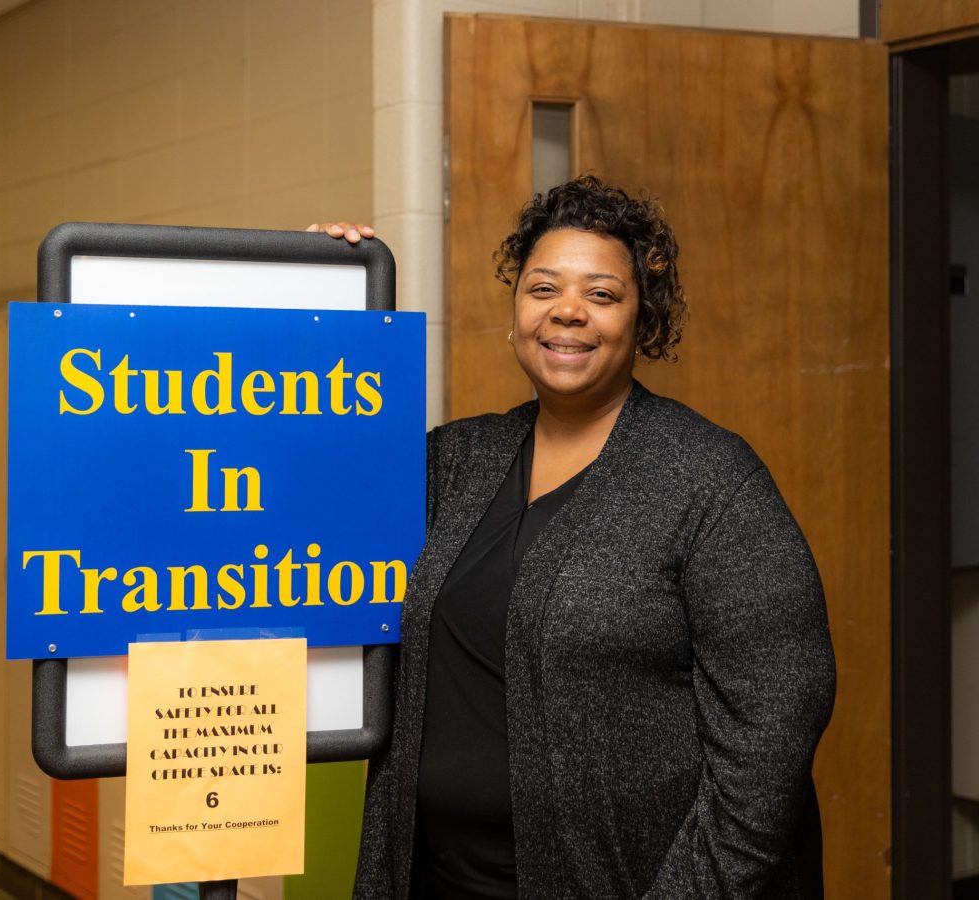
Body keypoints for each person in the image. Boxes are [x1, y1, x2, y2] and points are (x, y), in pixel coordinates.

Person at [309, 174, 836, 900]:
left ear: (641, 318)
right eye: (543, 288)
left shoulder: (710, 481)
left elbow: (773, 734)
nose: (567, 313)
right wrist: (320, 299)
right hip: (433, 880)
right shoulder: (454, 461)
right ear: (515, 310)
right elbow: (302, 484)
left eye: (601, 294)